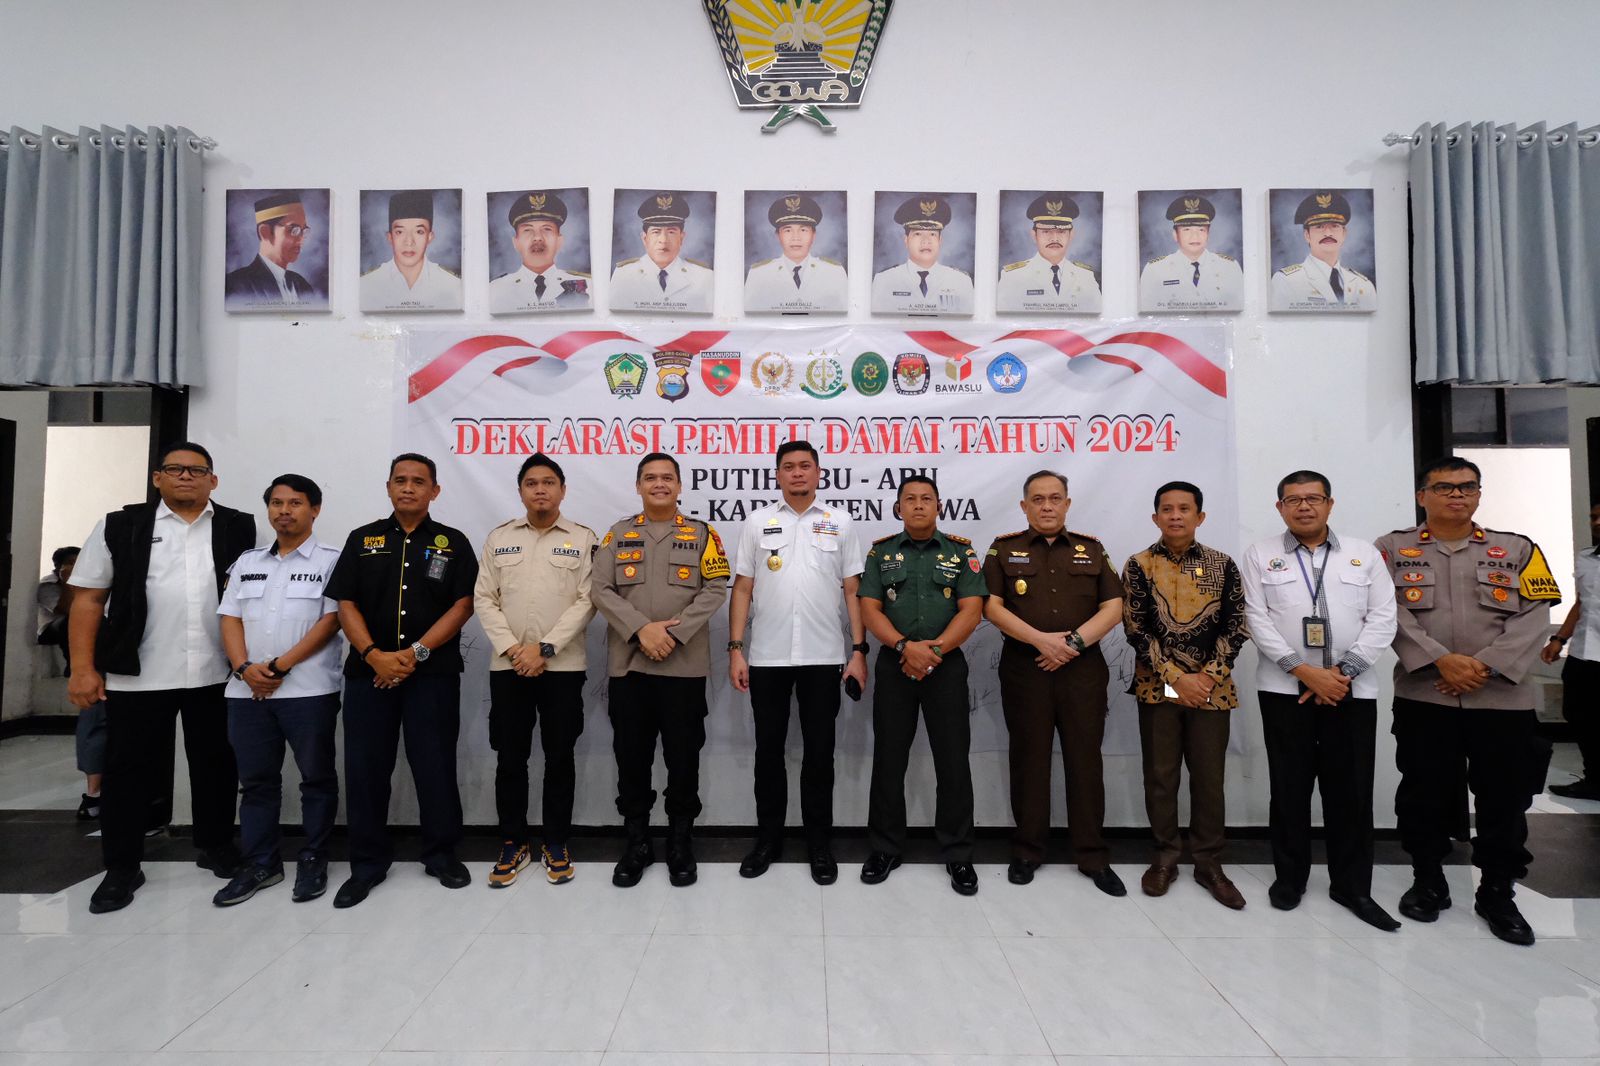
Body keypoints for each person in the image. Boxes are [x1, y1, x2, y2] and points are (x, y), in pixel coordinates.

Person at [1376, 456, 1562, 945]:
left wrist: (1484, 666)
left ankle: (1498, 891)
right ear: (1422, 496)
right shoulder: (1391, 549)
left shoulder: (1518, 548)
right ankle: (1428, 880)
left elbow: (1536, 614)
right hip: (1425, 695)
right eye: (1444, 487)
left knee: (1505, 799)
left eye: (1467, 487)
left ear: (1479, 494)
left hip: (1502, 699)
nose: (1456, 495)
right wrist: (1441, 661)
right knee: (1424, 793)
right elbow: (1385, 612)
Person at [67, 442, 256, 914]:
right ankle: (122, 866)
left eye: (197, 470)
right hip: (139, 672)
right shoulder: (121, 525)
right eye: (175, 469)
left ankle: (216, 846)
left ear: (213, 480)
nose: (186, 477)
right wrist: (84, 668)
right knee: (128, 771)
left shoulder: (238, 526)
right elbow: (88, 599)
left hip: (216, 670)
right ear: (158, 478)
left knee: (216, 764)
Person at [1242, 469, 1400, 931]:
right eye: (1293, 500)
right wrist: (1304, 670)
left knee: (1351, 790)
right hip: (1283, 689)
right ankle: (1289, 880)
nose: (1304, 506)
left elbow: (1384, 618)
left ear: (1330, 504)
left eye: (1313, 498)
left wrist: (1341, 673)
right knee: (1289, 787)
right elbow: (1255, 618)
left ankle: (1352, 886)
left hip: (1352, 690)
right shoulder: (1260, 554)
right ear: (1280, 508)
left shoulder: (1363, 554)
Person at [325, 453, 478, 908]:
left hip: (432, 677)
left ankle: (441, 855)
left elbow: (463, 605)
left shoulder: (452, 542)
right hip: (368, 676)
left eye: (418, 481)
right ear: (389, 487)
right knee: (365, 770)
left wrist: (414, 655)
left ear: (435, 490)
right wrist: (374, 656)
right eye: (400, 480)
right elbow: (345, 603)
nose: (408, 488)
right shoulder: (362, 539)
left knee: (435, 766)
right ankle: (367, 864)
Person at [727, 441, 868, 885]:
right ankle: (767, 841)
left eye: (805, 466)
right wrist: (736, 648)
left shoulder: (840, 522)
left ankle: (819, 845)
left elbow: (853, 590)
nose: (797, 473)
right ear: (778, 475)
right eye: (788, 467)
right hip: (767, 657)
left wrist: (859, 651)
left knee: (819, 755)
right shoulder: (757, 522)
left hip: (824, 656)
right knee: (768, 753)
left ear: (818, 472)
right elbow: (743, 588)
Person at [983, 471, 1127, 896]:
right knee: (1029, 759)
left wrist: (1072, 643)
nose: (1047, 506)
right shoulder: (1002, 549)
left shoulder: (1092, 549)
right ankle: (1028, 851)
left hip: (1082, 670)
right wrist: (1041, 641)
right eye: (1038, 499)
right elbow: (991, 606)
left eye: (1055, 498)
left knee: (1085, 761)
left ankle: (1092, 855)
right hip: (1026, 668)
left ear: (1067, 504)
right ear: (1024, 506)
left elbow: (1113, 606)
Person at [591, 453, 729, 887]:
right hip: (629, 667)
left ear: (679, 485)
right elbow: (599, 589)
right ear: (638, 486)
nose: (659, 484)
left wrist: (674, 633)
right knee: (631, 759)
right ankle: (637, 844)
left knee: (683, 760)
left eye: (667, 477)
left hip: (683, 667)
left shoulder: (703, 534)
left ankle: (680, 843)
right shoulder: (618, 534)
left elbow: (716, 587)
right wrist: (641, 630)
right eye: (650, 477)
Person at [213, 474, 343, 907]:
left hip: (309, 690)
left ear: (315, 510)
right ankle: (260, 863)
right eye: (276, 503)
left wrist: (279, 666)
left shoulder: (331, 560)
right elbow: (230, 617)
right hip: (247, 693)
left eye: (295, 503)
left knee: (317, 779)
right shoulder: (247, 562)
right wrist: (243, 668)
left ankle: (314, 857)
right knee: (255, 783)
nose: (284, 511)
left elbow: (331, 621)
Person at [1121, 481, 1250, 907]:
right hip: (1158, 687)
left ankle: (1209, 863)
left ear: (1200, 516)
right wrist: (1176, 677)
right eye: (1167, 509)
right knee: (1161, 777)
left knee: (1209, 780)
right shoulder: (1139, 565)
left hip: (1213, 690)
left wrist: (1206, 678)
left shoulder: (1222, 564)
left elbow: (1236, 626)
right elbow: (1136, 629)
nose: (1175, 516)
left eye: (1184, 508)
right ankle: (1165, 858)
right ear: (1155, 516)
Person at [474, 454, 597, 887]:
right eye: (531, 483)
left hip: (562, 667)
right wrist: (514, 649)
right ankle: (513, 842)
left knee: (560, 757)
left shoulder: (583, 539)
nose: (540, 489)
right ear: (521, 491)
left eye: (548, 482)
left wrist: (544, 649)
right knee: (510, 757)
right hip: (508, 667)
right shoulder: (499, 538)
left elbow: (588, 600)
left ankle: (556, 841)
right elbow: (484, 598)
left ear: (563, 490)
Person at [858, 476, 985, 895]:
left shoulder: (961, 552)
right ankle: (885, 848)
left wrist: (932, 653)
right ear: (898, 508)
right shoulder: (881, 553)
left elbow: (971, 610)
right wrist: (903, 647)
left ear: (938, 506)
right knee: (889, 760)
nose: (917, 505)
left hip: (945, 667)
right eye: (909, 499)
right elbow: (870, 609)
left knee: (953, 761)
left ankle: (958, 853)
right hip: (895, 664)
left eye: (926, 499)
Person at [1543, 501, 1600, 800]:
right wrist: (1559, 639)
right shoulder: (1585, 558)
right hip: (1583, 652)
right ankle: (1595, 780)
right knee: (1578, 714)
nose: (1597, 522)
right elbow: (1581, 603)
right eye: (1594, 517)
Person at [487, 190, 591, 313]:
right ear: (516, 243)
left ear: (559, 241)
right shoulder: (495, 290)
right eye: (527, 230)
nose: (537, 237)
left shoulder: (588, 287)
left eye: (547, 229)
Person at [609, 192, 714, 312]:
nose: (663, 240)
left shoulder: (704, 277)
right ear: (644, 238)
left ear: (681, 238)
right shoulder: (624, 275)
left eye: (671, 232)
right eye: (656, 232)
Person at [996, 193, 1101, 313]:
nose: (1054, 239)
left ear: (1071, 235)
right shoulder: (1012, 277)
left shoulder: (1086, 277)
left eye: (1061, 232)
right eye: (1046, 231)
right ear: (1034, 235)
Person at [870, 194, 975, 314]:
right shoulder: (884, 281)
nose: (926, 241)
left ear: (940, 241)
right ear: (906, 240)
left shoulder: (961, 282)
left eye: (932, 234)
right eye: (918, 234)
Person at [359, 190, 463, 310]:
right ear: (390, 237)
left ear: (430, 237)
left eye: (419, 232)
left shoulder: (451, 284)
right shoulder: (367, 285)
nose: (409, 242)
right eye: (400, 232)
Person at [1270, 191, 1375, 309]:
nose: (1328, 233)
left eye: (1334, 226)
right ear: (1307, 235)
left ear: (1344, 234)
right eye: (1319, 226)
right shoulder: (1285, 281)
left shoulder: (1363, 285)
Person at [744, 193, 847, 312]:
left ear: (813, 235)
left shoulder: (834, 273)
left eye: (803, 230)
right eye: (788, 230)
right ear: (778, 235)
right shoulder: (758, 274)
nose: (796, 238)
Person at [1138, 194, 1244, 310]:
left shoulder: (1230, 267)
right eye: (1187, 230)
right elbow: (1147, 311)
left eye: (1201, 230)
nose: (1195, 236)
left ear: (1208, 234)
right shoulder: (1154, 269)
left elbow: (1239, 308)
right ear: (1175, 235)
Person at [224, 192, 320, 306]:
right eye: (294, 230)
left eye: (304, 231)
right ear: (265, 232)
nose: (301, 239)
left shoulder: (302, 284)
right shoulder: (236, 285)